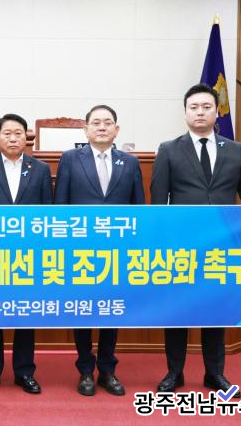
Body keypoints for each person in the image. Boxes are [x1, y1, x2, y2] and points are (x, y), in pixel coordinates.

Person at [151, 83, 241, 397]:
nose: (200, 112)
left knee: (216, 311)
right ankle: (174, 373)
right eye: (194, 107)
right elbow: (158, 203)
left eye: (206, 107)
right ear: (185, 113)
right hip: (181, 246)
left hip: (221, 246)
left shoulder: (235, 150)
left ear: (216, 111)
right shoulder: (168, 150)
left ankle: (214, 374)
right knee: (177, 312)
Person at [54, 105, 144, 397]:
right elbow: (60, 207)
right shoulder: (70, 159)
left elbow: (138, 210)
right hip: (80, 252)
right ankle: (85, 370)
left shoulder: (130, 162)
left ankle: (107, 370)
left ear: (116, 129)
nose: (102, 127)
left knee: (110, 311)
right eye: (96, 123)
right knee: (83, 311)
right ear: (86, 129)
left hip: (117, 253)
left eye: (107, 123)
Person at [0, 114, 51, 395]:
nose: (13, 138)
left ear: (27, 137)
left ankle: (24, 372)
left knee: (25, 314)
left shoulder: (40, 169)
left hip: (29, 256)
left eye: (18, 133)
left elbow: (48, 214)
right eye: (7, 133)